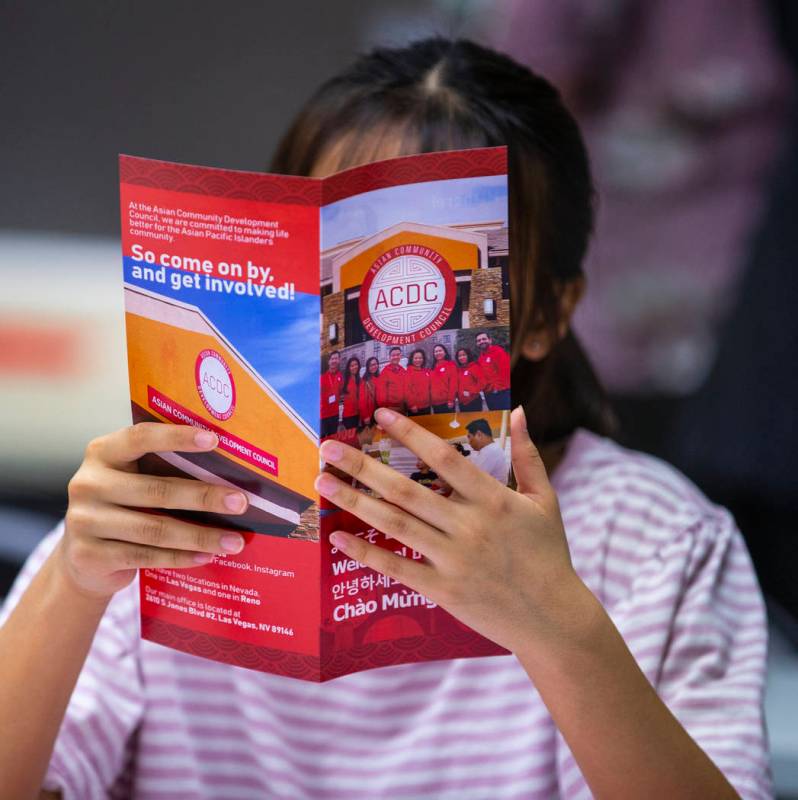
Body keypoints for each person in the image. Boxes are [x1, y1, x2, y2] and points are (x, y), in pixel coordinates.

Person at [0, 37, 768, 800]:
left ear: (545, 313)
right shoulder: (164, 509)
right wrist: (74, 578)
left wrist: (554, 627)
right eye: (334, 268)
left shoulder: (654, 538)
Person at [464, 418, 510, 483]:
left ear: (479, 434)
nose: (469, 442)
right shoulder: (491, 448)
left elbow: (473, 479)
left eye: (469, 437)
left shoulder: (490, 451)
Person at [476, 331, 511, 410]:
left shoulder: (498, 351)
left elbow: (505, 372)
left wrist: (497, 389)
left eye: (484, 339)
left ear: (490, 340)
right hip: (489, 394)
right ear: (477, 344)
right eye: (479, 340)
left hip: (501, 393)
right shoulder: (480, 358)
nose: (481, 341)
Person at [320, 349, 343, 437]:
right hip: (323, 415)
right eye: (332, 359)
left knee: (332, 438)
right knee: (321, 439)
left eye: (336, 358)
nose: (334, 361)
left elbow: (340, 391)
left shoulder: (340, 376)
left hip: (335, 414)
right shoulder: (322, 377)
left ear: (339, 360)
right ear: (329, 361)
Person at [429, 343, 457, 413]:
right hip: (435, 403)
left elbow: (453, 384)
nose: (438, 353)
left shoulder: (451, 365)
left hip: (447, 402)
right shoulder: (432, 368)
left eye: (440, 350)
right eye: (436, 351)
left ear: (445, 352)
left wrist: (451, 400)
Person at [376, 346, 406, 413]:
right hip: (391, 408)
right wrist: (385, 407)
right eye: (393, 355)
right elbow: (381, 392)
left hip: (402, 407)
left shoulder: (403, 370)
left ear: (400, 356)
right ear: (389, 357)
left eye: (398, 355)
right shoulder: (385, 372)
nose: (395, 357)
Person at [455, 346, 485, 412]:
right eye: (459, 356)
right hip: (462, 402)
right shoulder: (458, 370)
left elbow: (482, 383)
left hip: (473, 401)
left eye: (464, 355)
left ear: (468, 355)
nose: (461, 357)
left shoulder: (474, 367)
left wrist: (471, 392)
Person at [405, 349, 431, 416]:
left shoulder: (425, 371)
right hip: (415, 408)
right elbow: (407, 390)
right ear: (412, 359)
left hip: (427, 406)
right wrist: (412, 405)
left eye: (420, 358)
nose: (418, 360)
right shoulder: (408, 372)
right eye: (416, 358)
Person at [340, 356, 361, 429]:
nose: (354, 367)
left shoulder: (359, 379)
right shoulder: (344, 380)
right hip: (348, 415)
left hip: (358, 414)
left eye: (356, 364)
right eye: (352, 366)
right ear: (348, 368)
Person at [358, 356, 380, 425]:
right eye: (371, 365)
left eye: (375, 364)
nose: (374, 366)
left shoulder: (380, 377)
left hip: (379, 412)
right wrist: (365, 416)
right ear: (368, 367)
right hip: (370, 415)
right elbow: (362, 400)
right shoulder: (364, 380)